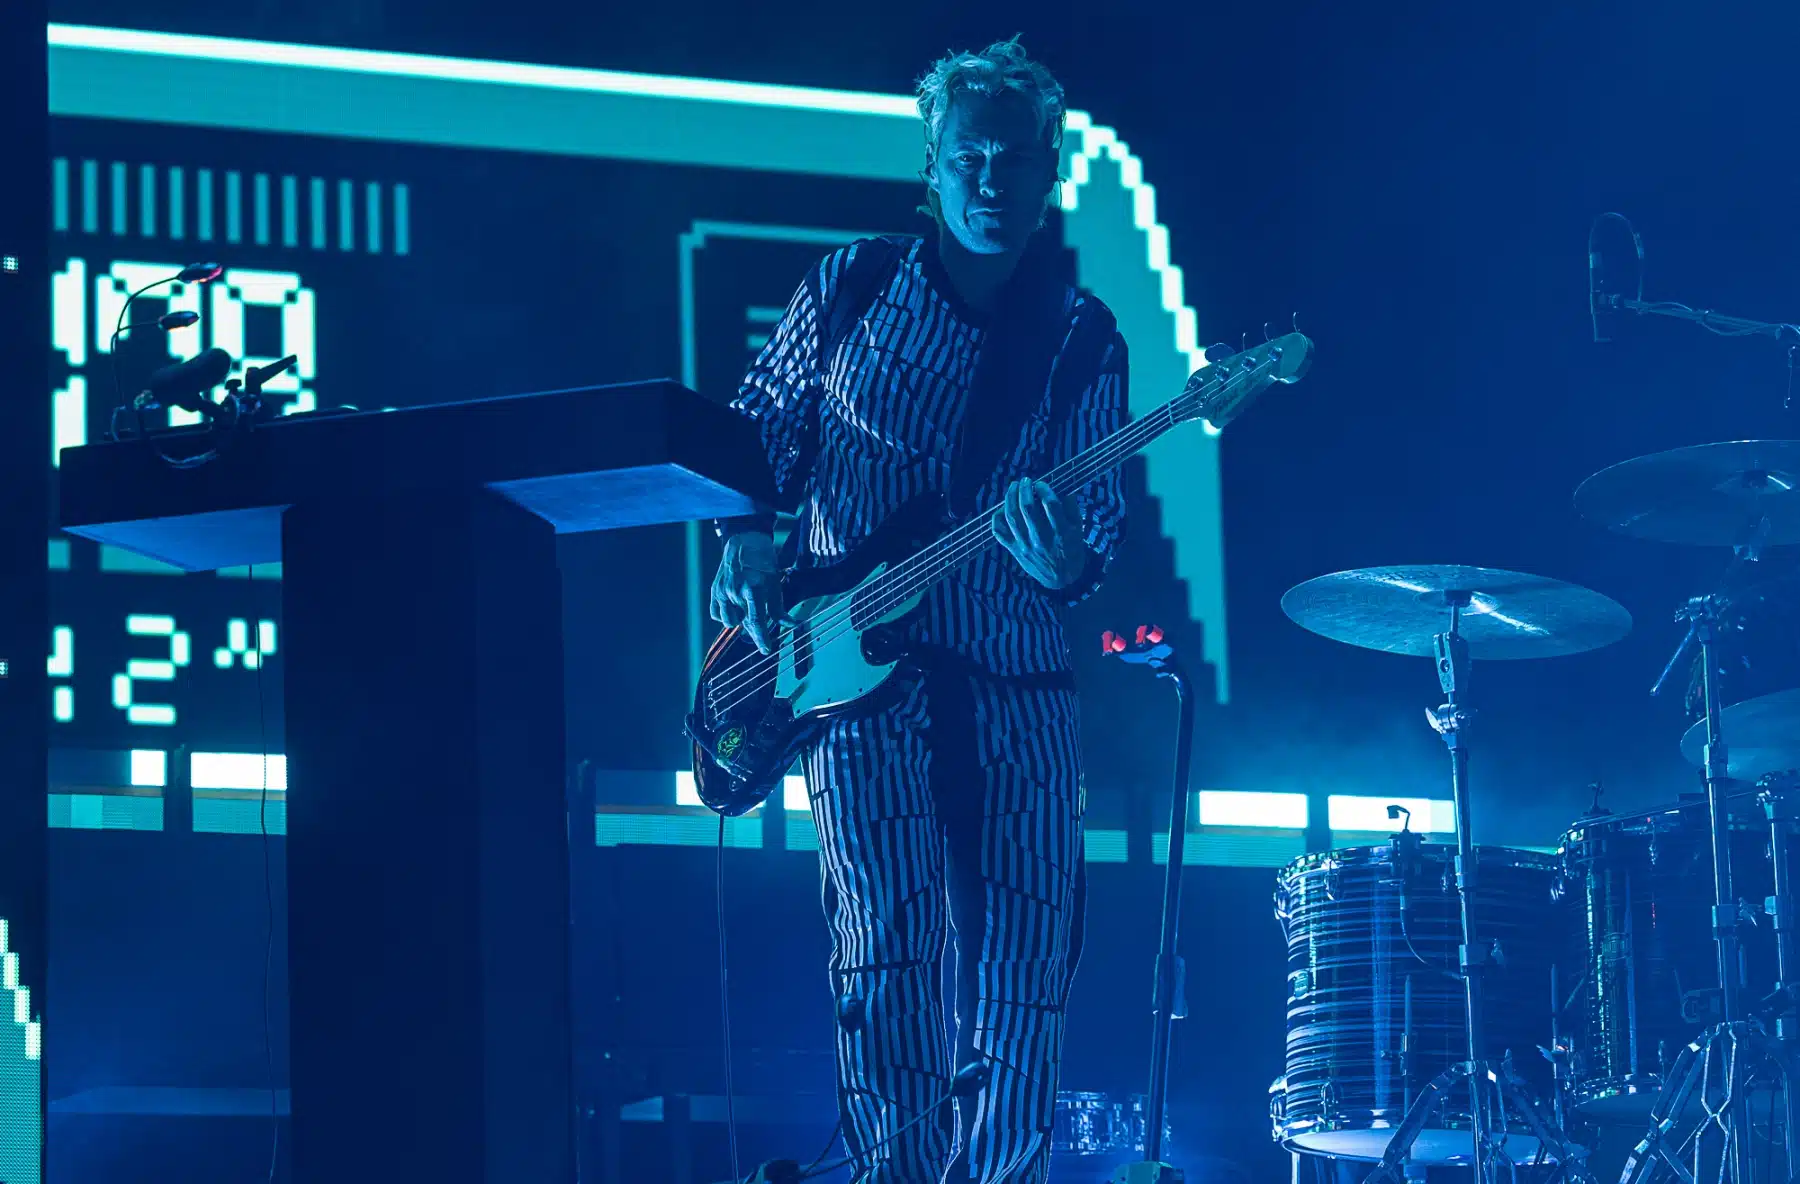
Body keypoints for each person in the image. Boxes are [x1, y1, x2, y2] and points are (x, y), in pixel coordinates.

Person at [710, 37, 1129, 1183]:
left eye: (1015, 159)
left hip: (1012, 679)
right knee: (884, 944)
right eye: (969, 157)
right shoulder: (850, 283)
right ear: (932, 170)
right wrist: (746, 535)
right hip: (847, 672)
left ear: (1050, 172)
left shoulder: (1084, 336)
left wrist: (1062, 558)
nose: (992, 180)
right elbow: (754, 429)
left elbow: (1097, 532)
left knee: (1028, 957)